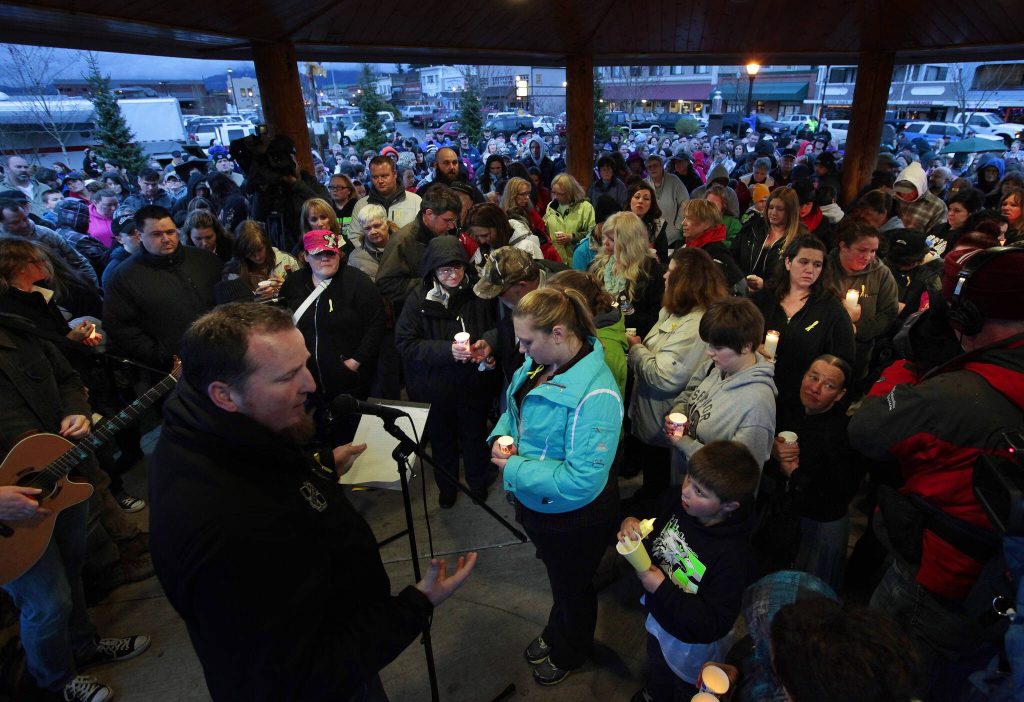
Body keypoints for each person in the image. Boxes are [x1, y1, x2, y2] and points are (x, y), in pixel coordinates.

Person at [149, 303, 476, 702]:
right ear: (224, 394)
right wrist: (414, 607)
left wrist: (316, 468)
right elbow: (298, 672)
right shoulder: (220, 525)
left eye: (304, 364)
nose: (310, 384)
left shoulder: (229, 432)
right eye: (287, 376)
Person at [848, 245, 1024, 700]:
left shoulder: (957, 394)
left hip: (933, 580)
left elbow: (868, 429)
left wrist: (906, 369)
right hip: (992, 586)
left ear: (968, 316)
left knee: (881, 672)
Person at [0, 316, 151, 702]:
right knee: (47, 603)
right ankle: (56, 682)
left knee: (73, 572)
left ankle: (83, 647)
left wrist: (76, 410)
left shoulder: (18, 328)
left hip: (58, 479)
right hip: (7, 513)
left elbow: (67, 378)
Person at [488, 287, 623, 686]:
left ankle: (571, 650)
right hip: (539, 505)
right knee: (560, 579)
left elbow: (582, 479)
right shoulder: (536, 366)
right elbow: (513, 409)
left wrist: (513, 469)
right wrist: (500, 435)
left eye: (528, 340)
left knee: (574, 586)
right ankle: (556, 629)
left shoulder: (597, 394)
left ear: (560, 334)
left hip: (575, 516)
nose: (520, 348)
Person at [619, 441, 760, 702]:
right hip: (658, 618)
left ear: (730, 506)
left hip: (692, 649)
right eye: (688, 479)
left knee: (684, 687)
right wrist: (631, 521)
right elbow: (649, 508)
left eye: (700, 492)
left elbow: (712, 624)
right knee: (657, 662)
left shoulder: (735, 558)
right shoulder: (679, 501)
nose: (685, 492)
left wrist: (660, 588)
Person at [395, 236, 498, 507]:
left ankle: (478, 483)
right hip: (434, 387)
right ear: (433, 270)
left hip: (471, 384)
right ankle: (447, 488)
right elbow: (405, 343)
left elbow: (498, 325)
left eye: (457, 267)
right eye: (444, 269)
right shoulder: (418, 299)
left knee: (475, 437)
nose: (452, 274)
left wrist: (487, 342)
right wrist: (446, 351)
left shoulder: (478, 292)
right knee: (442, 443)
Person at [627, 248, 729, 499]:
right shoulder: (673, 310)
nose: (664, 277)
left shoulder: (695, 325)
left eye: (670, 273)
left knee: (662, 480)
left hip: (666, 417)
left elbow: (665, 376)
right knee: (652, 475)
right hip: (653, 414)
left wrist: (637, 350)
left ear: (686, 280)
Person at [756, 355, 860, 591]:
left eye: (829, 385)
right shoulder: (790, 405)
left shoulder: (840, 434)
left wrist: (793, 471)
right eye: (813, 377)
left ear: (840, 394)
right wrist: (772, 446)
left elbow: (834, 496)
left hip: (817, 524)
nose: (815, 388)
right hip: (784, 514)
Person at [281, 230, 385, 445]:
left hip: (349, 383)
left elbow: (376, 326)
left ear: (339, 254)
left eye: (330, 253)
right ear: (305, 256)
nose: (325, 258)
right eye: (318, 254)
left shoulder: (358, 283)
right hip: (308, 385)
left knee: (353, 441)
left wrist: (355, 363)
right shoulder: (293, 284)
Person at [665, 297, 777, 478]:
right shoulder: (715, 367)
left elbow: (740, 471)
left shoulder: (757, 405)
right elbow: (689, 393)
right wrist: (679, 413)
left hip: (714, 500)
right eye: (709, 344)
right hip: (688, 482)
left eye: (718, 347)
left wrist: (684, 442)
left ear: (746, 346)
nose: (709, 352)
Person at [103, 205, 223, 371]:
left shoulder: (205, 260)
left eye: (171, 232)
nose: (166, 239)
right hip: (174, 368)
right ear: (139, 236)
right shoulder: (123, 277)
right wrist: (161, 355)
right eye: (156, 234)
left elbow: (228, 300)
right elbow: (121, 329)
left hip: (223, 352)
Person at [751, 235, 855, 415]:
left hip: (799, 400)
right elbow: (737, 337)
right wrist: (751, 349)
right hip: (755, 389)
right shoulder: (764, 298)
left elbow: (844, 360)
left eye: (817, 265)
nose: (810, 270)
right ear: (788, 262)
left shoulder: (831, 309)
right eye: (804, 262)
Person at [471, 247, 567, 392]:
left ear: (522, 286)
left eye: (500, 293)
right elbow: (508, 326)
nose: (497, 296)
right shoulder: (510, 292)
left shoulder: (564, 300)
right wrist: (492, 341)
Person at [830, 219, 899, 387]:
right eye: (862, 250)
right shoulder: (824, 268)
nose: (868, 257)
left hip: (859, 353)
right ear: (843, 246)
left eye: (873, 251)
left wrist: (859, 331)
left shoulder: (881, 273)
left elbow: (889, 311)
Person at [376, 184, 462, 316]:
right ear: (429, 214)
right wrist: (431, 284)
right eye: (447, 220)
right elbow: (385, 283)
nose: (451, 226)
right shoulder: (402, 240)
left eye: (454, 220)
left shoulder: (446, 233)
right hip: (415, 314)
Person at [545, 268, 627, 397]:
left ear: (576, 304)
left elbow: (603, 402)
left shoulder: (606, 351)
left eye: (552, 303)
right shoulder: (577, 332)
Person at [590, 211, 665, 339]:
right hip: (600, 332)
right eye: (604, 237)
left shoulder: (650, 270)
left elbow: (653, 318)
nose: (605, 243)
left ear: (629, 242)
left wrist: (623, 310)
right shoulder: (601, 263)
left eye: (612, 239)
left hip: (633, 337)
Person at [217, 220, 299, 303]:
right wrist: (254, 299)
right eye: (251, 253)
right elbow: (232, 308)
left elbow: (303, 295)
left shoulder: (287, 261)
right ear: (242, 253)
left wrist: (287, 287)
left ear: (266, 244)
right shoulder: (233, 272)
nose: (257, 257)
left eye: (260, 250)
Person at [679, 198, 745, 291]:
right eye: (684, 218)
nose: (683, 223)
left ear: (706, 223)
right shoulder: (694, 246)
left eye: (689, 219)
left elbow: (739, 285)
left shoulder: (715, 251)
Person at [545, 173, 596, 263]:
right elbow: (546, 230)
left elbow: (593, 235)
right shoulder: (550, 206)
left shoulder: (585, 207)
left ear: (570, 192)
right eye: (553, 192)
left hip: (578, 260)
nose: (555, 197)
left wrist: (572, 237)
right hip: (556, 260)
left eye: (560, 194)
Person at [894, 161, 948, 234]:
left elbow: (935, 238)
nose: (904, 194)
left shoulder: (938, 207)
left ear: (920, 187)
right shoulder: (894, 198)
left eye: (909, 190)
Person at [927, 187, 984, 255]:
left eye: (957, 211)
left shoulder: (969, 239)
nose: (950, 213)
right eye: (950, 209)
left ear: (971, 213)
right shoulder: (939, 227)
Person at [348, 203, 397, 281]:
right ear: (363, 230)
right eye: (367, 228)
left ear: (387, 225)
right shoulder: (355, 259)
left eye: (377, 226)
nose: (373, 231)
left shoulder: (405, 247)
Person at [646, 154, 688, 240]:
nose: (652, 168)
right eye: (649, 167)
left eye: (655, 165)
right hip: (649, 234)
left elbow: (685, 201)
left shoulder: (674, 180)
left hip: (672, 233)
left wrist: (678, 225)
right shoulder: (644, 184)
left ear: (662, 167)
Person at [629, 180, 669, 263]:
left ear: (651, 204)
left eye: (646, 198)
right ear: (630, 200)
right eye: (637, 197)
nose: (640, 201)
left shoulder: (658, 225)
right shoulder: (618, 221)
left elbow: (663, 259)